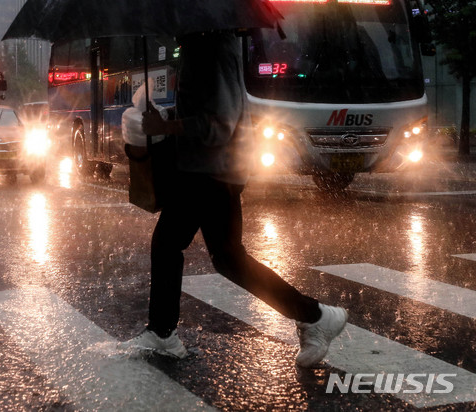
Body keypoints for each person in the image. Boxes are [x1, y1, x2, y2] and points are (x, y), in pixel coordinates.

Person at [120, 31, 348, 368]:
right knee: (228, 259)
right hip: (212, 173)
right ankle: (315, 316)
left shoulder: (211, 52)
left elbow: (220, 126)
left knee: (170, 245)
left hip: (211, 174)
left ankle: (163, 332)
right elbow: (208, 113)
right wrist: (168, 121)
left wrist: (169, 128)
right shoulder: (204, 47)